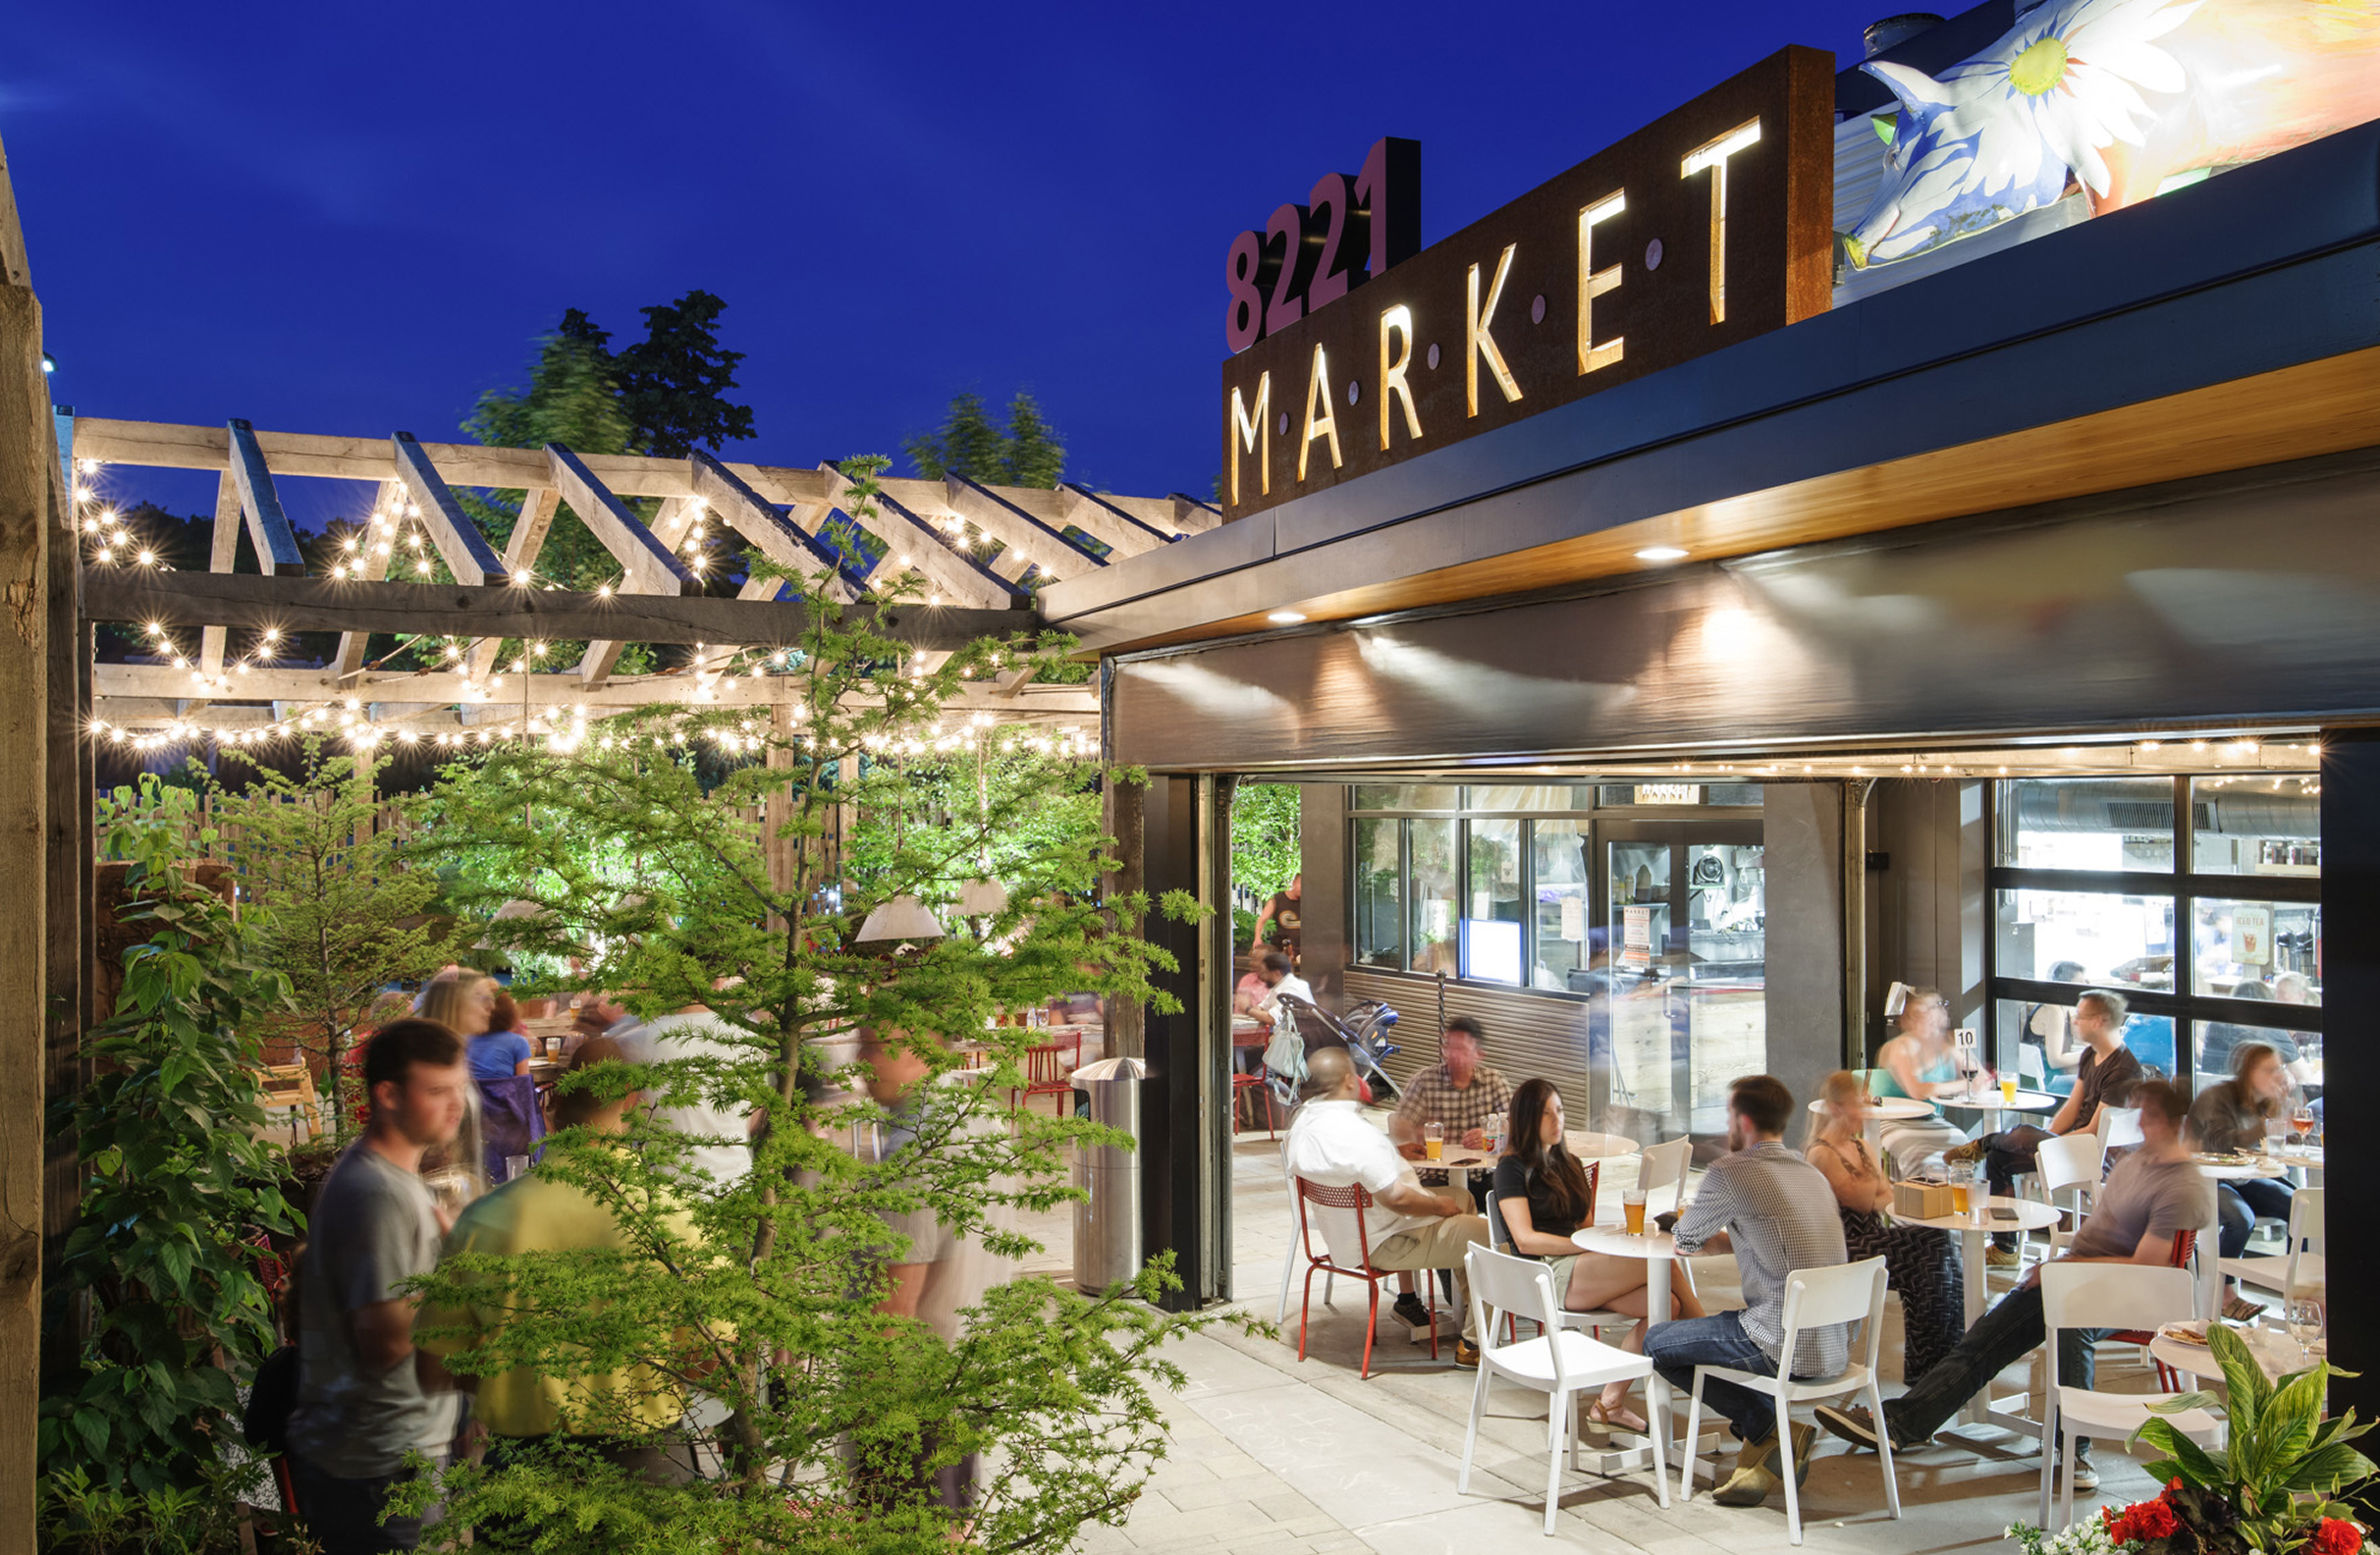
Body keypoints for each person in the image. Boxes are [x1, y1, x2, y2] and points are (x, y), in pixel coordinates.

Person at [1816, 1079, 2214, 1492]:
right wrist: (2062, 1267)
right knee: (1986, 1339)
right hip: (2076, 1277)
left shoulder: (2182, 1185)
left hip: (2123, 1291)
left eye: (2148, 1115)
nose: (2140, 1122)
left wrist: (2066, 1269)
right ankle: (1902, 1423)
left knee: (2063, 1323)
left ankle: (2074, 1449)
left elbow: (2148, 1267)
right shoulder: (2136, 1163)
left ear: (2176, 1123)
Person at [419, 1036, 699, 1484]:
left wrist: (513, 1380)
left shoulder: (484, 1221)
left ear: (553, 1110)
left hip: (522, 1468)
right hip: (646, 1461)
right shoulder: (673, 1217)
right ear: (633, 1104)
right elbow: (713, 1360)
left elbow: (434, 1365)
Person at [286, 1020, 472, 1553]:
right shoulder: (379, 1194)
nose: (454, 1105)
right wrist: (458, 1271)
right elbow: (386, 1340)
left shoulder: (389, 1181)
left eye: (459, 1088)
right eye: (437, 1091)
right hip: (381, 1463)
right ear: (387, 1095)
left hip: (386, 1452)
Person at [1643, 1075, 1850, 1511]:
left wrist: (1685, 1221)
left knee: (1659, 1343)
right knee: (1712, 1329)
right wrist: (1726, 1231)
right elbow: (1757, 1237)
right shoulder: (1811, 1173)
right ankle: (1767, 1446)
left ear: (1743, 1120)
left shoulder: (1728, 1171)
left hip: (1778, 1343)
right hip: (1834, 1346)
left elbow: (1684, 1241)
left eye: (1728, 1115)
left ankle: (1769, 1429)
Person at [1491, 1078, 1704, 1435]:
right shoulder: (1510, 1167)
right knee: (1658, 1259)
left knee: (1666, 1304)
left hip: (1582, 1267)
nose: (1557, 1120)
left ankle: (1609, 1403)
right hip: (1547, 1275)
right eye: (1546, 1114)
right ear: (1527, 1119)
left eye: (1559, 1110)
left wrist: (1598, 1240)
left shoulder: (1571, 1162)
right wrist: (1584, 1245)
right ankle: (1708, 1341)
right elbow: (1525, 1241)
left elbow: (1584, 1224)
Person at [1283, 1046, 1491, 1366]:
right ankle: (1475, 1343)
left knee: (1463, 1199)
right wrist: (1439, 1207)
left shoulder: (1304, 1125)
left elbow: (1358, 1166)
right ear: (1350, 1081)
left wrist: (1393, 1149)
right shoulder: (1356, 1134)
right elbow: (1398, 1199)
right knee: (1489, 1238)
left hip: (1347, 1239)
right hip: (1387, 1242)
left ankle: (1465, 1302)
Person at [1946, 988, 2141, 1266]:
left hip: (2095, 1155)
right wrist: (2045, 1137)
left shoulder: (2123, 1068)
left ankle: (1984, 1142)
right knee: (2002, 1158)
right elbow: (2072, 1108)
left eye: (2081, 1016)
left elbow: (2095, 1133)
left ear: (2100, 1020)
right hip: (2074, 1147)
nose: (2074, 1020)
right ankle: (2005, 1248)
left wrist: (2046, 1143)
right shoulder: (2090, 1055)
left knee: (2025, 1133)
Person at [1805, 1071, 1966, 1377]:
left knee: (1937, 1257)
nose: (1863, 1112)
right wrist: (1873, 1183)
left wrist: (1871, 1185)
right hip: (1844, 1248)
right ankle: (1931, 1367)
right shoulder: (1820, 1152)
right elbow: (1866, 1200)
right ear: (1837, 1109)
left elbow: (1885, 1195)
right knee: (1932, 1249)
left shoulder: (1862, 1146)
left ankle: (1940, 1361)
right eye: (1857, 1105)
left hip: (1872, 1237)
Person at [2190, 1041, 2299, 1319]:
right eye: (2270, 1069)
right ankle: (2223, 1293)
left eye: (2279, 1068)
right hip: (2203, 1176)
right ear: (2249, 1071)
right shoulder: (2217, 1096)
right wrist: (2264, 1126)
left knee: (2300, 1208)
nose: (2277, 1075)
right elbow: (2219, 1143)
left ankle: (2299, 1297)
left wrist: (2282, 1106)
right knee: (2241, 1219)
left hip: (2242, 1176)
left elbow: (2290, 1138)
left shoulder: (2263, 1099)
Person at [622, 990, 758, 1188]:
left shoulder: (636, 1040)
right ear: (720, 980)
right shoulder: (749, 1036)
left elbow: (624, 1120)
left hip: (664, 1191)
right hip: (735, 1185)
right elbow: (752, 1116)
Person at [1389, 1015, 1513, 1196]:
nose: (1453, 1055)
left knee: (1510, 1194)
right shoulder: (1425, 1081)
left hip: (1482, 1173)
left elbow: (1516, 1125)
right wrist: (1414, 1133)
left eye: (1461, 1049)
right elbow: (1400, 1127)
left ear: (1479, 1053)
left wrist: (1489, 1134)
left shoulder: (1494, 1081)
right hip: (1435, 1174)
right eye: (1449, 1047)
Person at [1869, 988, 1973, 1170]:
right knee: (1919, 1156)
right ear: (1911, 1019)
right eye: (1927, 1016)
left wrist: (1969, 1079)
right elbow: (1918, 1091)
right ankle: (1919, 1196)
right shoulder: (1898, 1048)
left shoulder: (1946, 1047)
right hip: (1894, 1121)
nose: (1934, 1021)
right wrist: (1962, 1084)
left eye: (1937, 1014)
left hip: (1932, 1120)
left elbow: (1979, 1077)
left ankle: (1957, 1197)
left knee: (1965, 1149)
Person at [2022, 962, 2088, 1090]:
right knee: (2098, 1082)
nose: (2085, 987)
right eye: (2080, 982)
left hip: (2056, 1076)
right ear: (2066, 985)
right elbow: (2055, 1061)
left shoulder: (2065, 1007)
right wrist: (2089, 1053)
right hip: (2044, 1082)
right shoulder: (2053, 1010)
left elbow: (2084, 1039)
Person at [464, 988, 534, 1081]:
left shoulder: (464, 1041)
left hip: (470, 1095)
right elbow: (523, 1086)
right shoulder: (518, 1042)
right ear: (509, 1012)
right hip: (504, 1095)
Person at [1252, 872, 1304, 966]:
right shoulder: (1277, 900)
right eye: (1301, 884)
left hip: (1303, 945)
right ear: (1294, 883)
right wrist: (1257, 937)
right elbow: (1262, 920)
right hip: (1283, 944)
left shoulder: (1307, 901)